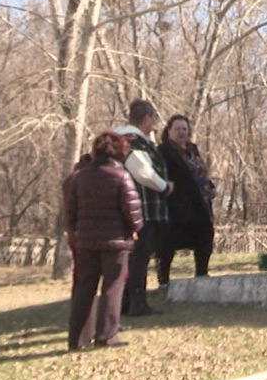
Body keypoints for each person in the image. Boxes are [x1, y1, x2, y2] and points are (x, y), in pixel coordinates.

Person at [64, 132, 142, 350]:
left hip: (87, 241)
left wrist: (75, 231)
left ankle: (77, 339)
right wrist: (135, 228)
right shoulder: (121, 176)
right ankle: (106, 336)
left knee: (84, 288)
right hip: (115, 241)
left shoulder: (80, 177)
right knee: (113, 287)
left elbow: (71, 209)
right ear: (120, 152)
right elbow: (132, 209)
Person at [114, 99, 172, 317]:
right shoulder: (133, 141)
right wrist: (164, 186)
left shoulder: (126, 139)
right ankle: (137, 302)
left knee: (134, 257)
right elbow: (143, 172)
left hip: (136, 207)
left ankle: (127, 300)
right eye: (152, 119)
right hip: (142, 208)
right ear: (146, 118)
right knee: (139, 256)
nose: (153, 124)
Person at [156, 114, 216, 286]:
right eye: (177, 129)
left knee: (205, 236)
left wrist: (210, 186)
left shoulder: (192, 150)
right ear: (168, 131)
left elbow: (199, 173)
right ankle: (164, 281)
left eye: (184, 129)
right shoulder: (163, 152)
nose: (181, 132)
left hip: (199, 204)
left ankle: (202, 275)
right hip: (176, 205)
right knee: (168, 243)